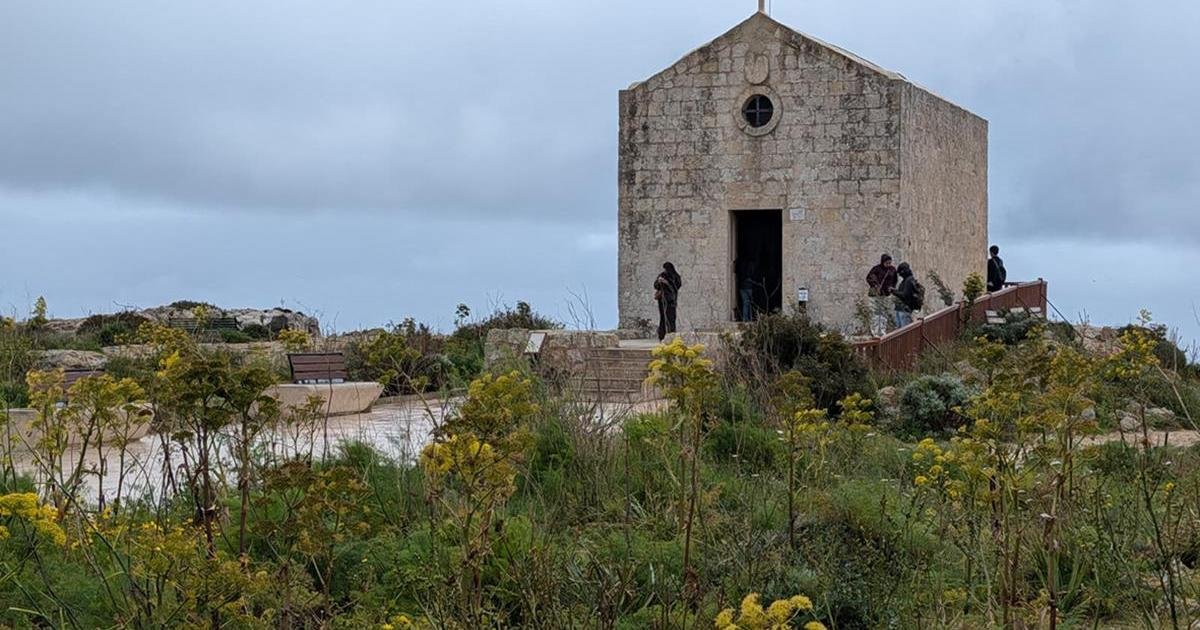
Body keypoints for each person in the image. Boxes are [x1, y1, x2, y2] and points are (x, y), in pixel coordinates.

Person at [865, 254, 897, 335]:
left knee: (884, 313)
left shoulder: (892, 270)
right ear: (883, 262)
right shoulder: (876, 269)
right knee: (875, 313)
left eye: (890, 263)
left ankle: (882, 331)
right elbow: (869, 278)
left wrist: (892, 288)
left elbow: (895, 280)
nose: (888, 264)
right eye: (887, 263)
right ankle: (874, 332)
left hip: (886, 294)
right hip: (876, 294)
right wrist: (875, 285)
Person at [654, 262, 682, 340]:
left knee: (671, 318)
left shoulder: (676, 276)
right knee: (663, 318)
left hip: (671, 300)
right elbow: (656, 285)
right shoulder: (662, 275)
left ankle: (671, 336)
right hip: (662, 300)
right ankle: (662, 336)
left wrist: (667, 283)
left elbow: (676, 287)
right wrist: (659, 282)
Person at [892, 262, 924, 328]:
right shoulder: (906, 280)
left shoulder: (909, 280)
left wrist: (894, 292)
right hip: (900, 309)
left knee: (904, 331)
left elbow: (905, 295)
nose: (900, 275)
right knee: (899, 332)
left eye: (901, 272)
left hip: (904, 310)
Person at [735, 256, 757, 322]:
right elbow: (751, 276)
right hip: (748, 287)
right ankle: (749, 319)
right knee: (750, 303)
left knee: (746, 303)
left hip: (743, 287)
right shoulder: (750, 267)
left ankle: (746, 319)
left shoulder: (741, 268)